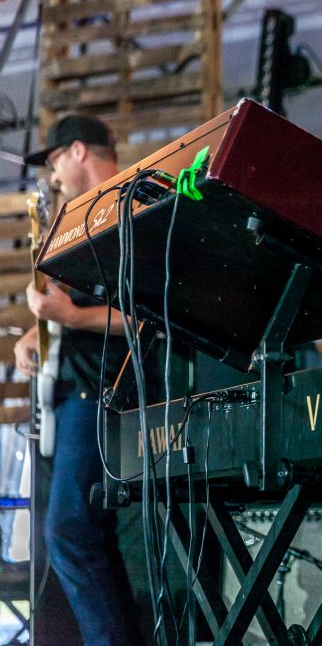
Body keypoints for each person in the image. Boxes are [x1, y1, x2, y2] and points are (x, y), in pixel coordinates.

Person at [15, 114, 144, 645]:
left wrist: (68, 317)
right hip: (74, 391)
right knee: (85, 534)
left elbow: (149, 318)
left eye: (53, 162)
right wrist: (37, 330)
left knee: (69, 531)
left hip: (107, 389)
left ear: (77, 151)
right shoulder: (77, 220)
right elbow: (74, 303)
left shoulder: (134, 207)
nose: (52, 176)